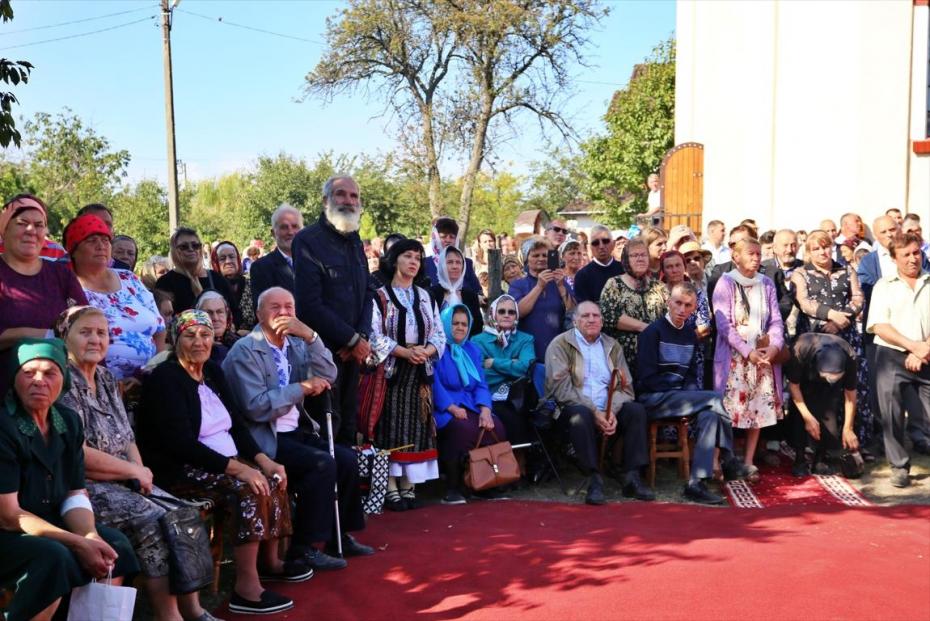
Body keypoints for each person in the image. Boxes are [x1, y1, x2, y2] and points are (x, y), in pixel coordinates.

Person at [138, 310, 307, 615]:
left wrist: (263, 460)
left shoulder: (213, 371)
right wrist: (240, 468)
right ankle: (246, 589)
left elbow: (238, 426)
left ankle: (269, 563)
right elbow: (180, 444)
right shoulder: (166, 378)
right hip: (180, 467)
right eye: (190, 335)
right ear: (176, 340)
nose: (199, 342)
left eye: (205, 335)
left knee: (273, 478)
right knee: (248, 488)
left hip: (224, 458)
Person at [55, 307, 215, 621]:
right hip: (83, 488)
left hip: (124, 478)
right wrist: (134, 472)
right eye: (85, 332)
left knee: (182, 513)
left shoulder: (104, 377)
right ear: (65, 337)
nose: (95, 339)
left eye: (101, 333)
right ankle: (169, 616)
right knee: (152, 519)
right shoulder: (60, 381)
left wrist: (141, 476)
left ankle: (193, 609)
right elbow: (78, 455)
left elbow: (128, 438)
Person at [222, 287, 373, 572]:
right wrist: (300, 388)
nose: (283, 313)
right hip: (263, 436)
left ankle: (338, 535)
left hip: (296, 430)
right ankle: (302, 548)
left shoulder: (296, 343)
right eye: (274, 307)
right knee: (320, 465)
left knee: (347, 460)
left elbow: (329, 374)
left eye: (289, 307)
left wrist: (312, 336)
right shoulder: (246, 349)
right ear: (258, 314)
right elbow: (255, 406)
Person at [0, 338, 139, 621]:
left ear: (63, 381)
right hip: (8, 531)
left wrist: (90, 536)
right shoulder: (4, 426)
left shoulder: (68, 421)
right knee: (55, 557)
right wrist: (77, 543)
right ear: (15, 380)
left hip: (49, 522)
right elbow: (8, 516)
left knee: (115, 548)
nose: (38, 380)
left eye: (49, 373)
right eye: (28, 373)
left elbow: (74, 494)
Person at [636, 283, 750, 504]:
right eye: (677, 303)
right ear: (668, 303)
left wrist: (688, 396)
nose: (681, 309)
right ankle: (729, 457)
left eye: (687, 305)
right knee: (715, 398)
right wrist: (680, 394)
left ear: (693, 308)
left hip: (679, 399)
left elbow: (689, 377)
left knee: (711, 414)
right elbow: (645, 378)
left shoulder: (689, 334)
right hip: (653, 399)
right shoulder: (653, 332)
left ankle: (696, 483)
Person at [545, 302, 652, 505]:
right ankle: (593, 478)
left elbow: (626, 388)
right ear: (575, 321)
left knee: (636, 410)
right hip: (572, 409)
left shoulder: (612, 346)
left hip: (608, 408)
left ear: (602, 321)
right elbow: (561, 390)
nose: (592, 319)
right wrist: (595, 411)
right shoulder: (560, 344)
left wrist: (612, 410)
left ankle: (632, 476)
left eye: (596, 316)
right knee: (580, 415)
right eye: (585, 316)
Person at [293, 177, 373, 445]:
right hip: (323, 355)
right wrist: (350, 340)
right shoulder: (307, 240)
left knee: (350, 426)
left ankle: (350, 487)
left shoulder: (355, 240)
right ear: (326, 200)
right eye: (341, 194)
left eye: (354, 196)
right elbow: (309, 305)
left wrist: (358, 339)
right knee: (329, 431)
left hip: (353, 355)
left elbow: (367, 294)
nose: (348, 201)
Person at [369, 239, 446, 511]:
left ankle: (409, 486)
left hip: (420, 370)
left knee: (416, 424)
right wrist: (403, 352)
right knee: (390, 425)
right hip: (391, 371)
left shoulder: (425, 296)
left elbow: (439, 332)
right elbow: (374, 336)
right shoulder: (379, 296)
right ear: (394, 260)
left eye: (418, 257)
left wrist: (427, 350)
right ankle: (390, 486)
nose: (413, 262)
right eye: (408, 256)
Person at [0, 194, 88, 399]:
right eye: (22, 223)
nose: (31, 231)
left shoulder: (61, 275)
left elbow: (86, 323)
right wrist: (44, 335)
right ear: (4, 229)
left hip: (60, 389)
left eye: (39, 225)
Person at [712, 237, 785, 481]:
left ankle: (749, 461)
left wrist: (773, 347)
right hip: (736, 358)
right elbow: (724, 325)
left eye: (758, 253)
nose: (756, 258)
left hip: (762, 357)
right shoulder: (726, 282)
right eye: (750, 253)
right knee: (728, 410)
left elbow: (775, 319)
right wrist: (747, 351)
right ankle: (719, 460)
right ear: (737, 257)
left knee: (757, 409)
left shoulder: (766, 284)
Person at [791, 231, 871, 445]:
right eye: (816, 248)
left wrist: (839, 319)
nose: (822, 252)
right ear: (808, 251)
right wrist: (829, 314)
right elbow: (803, 301)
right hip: (814, 338)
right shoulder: (801, 273)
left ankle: (853, 440)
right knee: (814, 390)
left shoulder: (846, 270)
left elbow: (857, 299)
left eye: (825, 247)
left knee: (853, 387)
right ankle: (811, 445)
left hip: (846, 334)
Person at [64, 214, 166, 382]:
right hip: (101, 382)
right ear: (74, 249)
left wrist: (156, 368)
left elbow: (160, 330)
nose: (101, 246)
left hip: (152, 378)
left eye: (105, 241)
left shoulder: (128, 278)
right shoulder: (70, 288)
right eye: (92, 240)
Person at [866, 232, 930, 488]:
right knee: (891, 415)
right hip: (891, 357)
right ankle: (899, 465)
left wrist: (922, 350)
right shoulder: (884, 286)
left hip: (927, 354)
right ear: (894, 258)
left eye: (916, 252)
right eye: (906, 255)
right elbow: (880, 326)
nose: (913, 259)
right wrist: (913, 346)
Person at [432, 304, 507, 504]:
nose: (460, 328)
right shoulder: (436, 349)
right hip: (445, 407)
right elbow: (433, 383)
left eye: (464, 324)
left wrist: (485, 409)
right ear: (445, 325)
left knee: (496, 427)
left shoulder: (472, 349)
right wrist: (451, 407)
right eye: (455, 323)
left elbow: (481, 383)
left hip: (472, 404)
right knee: (461, 429)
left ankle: (484, 483)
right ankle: (453, 487)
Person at [785, 333, 861, 477]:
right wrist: (808, 418)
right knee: (799, 414)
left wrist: (848, 428)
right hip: (804, 376)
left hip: (827, 387)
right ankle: (799, 458)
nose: (831, 379)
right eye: (828, 375)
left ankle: (820, 458)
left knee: (829, 411)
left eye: (835, 376)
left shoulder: (850, 357)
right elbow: (794, 387)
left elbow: (850, 394)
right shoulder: (801, 349)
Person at [472, 294, 536, 452]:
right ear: (493, 314)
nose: (507, 315)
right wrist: (512, 364)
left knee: (530, 415)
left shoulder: (525, 339)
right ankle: (514, 463)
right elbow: (481, 374)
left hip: (520, 395)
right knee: (511, 417)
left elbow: (526, 368)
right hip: (490, 394)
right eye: (502, 311)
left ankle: (523, 462)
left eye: (511, 312)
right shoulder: (477, 341)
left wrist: (494, 362)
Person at [599, 239, 669, 380]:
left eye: (643, 255)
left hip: (655, 356)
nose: (640, 259)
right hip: (622, 358)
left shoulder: (659, 286)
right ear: (625, 259)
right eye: (634, 255)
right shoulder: (614, 284)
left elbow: (669, 316)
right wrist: (647, 328)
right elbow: (609, 316)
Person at [509, 237, 576, 361]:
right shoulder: (518, 284)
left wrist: (561, 286)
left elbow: (573, 311)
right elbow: (518, 312)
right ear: (526, 259)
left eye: (545, 255)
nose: (541, 259)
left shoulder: (559, 282)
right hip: (527, 348)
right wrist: (539, 286)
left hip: (557, 347)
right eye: (535, 255)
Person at [156, 227, 234, 316]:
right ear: (174, 250)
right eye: (184, 247)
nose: (191, 249)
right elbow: (164, 319)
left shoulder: (217, 279)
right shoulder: (165, 283)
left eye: (195, 245)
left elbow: (234, 313)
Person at [659, 250, 710, 378]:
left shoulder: (697, 294)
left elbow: (704, 328)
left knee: (692, 393)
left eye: (678, 265)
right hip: (663, 355)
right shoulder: (657, 294)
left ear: (684, 267)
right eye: (669, 267)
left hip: (692, 352)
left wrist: (680, 342)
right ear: (663, 270)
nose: (674, 270)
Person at [250, 204, 303, 308]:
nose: (290, 232)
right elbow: (264, 310)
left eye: (295, 226)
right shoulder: (261, 268)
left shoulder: (317, 261)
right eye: (284, 227)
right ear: (273, 233)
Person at [429, 246, 483, 337]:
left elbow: (477, 326)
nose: (455, 266)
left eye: (458, 262)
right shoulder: (432, 293)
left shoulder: (470, 295)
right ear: (441, 265)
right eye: (450, 262)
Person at [424, 217, 482, 294]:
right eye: (443, 237)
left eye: (452, 237)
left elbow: (477, 291)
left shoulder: (466, 263)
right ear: (435, 237)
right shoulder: (425, 264)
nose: (448, 240)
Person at [572, 225, 624, 304]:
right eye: (595, 243)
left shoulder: (625, 269)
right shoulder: (582, 276)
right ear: (589, 248)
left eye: (605, 241)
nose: (601, 246)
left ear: (613, 244)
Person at [211, 241, 255, 332]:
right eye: (222, 258)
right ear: (216, 262)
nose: (228, 261)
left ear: (238, 259)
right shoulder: (212, 288)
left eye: (231, 257)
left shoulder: (252, 285)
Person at [707, 224, 756, 304]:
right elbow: (716, 306)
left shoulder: (769, 274)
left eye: (741, 244)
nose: (736, 248)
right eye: (732, 244)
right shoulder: (719, 273)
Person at [761, 229, 803, 323]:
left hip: (802, 325)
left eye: (793, 245)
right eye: (785, 245)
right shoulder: (763, 269)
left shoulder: (805, 268)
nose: (789, 250)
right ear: (775, 248)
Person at [195, 291, 240, 365]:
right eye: (209, 313)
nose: (215, 318)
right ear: (197, 317)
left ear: (227, 315)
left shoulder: (239, 343)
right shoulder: (194, 348)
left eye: (220, 312)